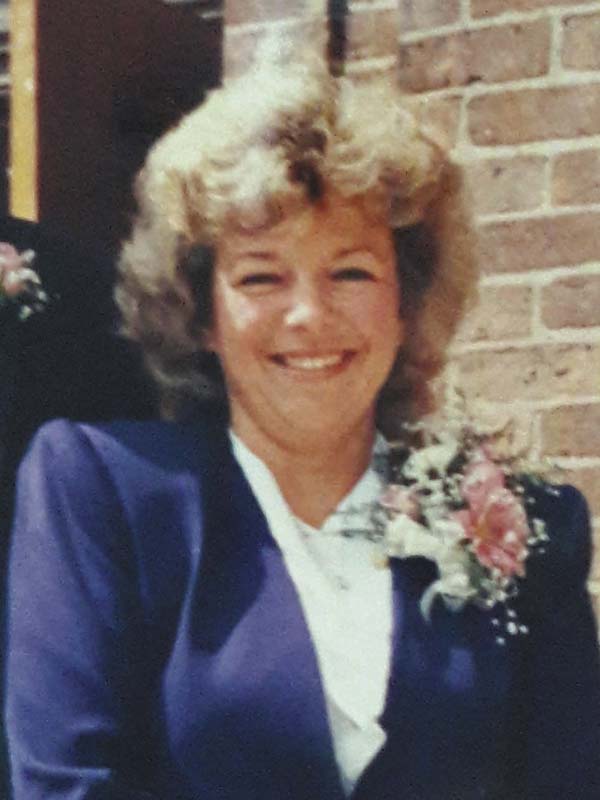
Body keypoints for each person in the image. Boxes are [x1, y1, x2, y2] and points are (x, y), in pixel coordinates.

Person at [4, 51, 600, 800]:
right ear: (202, 314)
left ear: (405, 303)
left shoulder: (527, 527)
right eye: (261, 276)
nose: (309, 315)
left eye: (350, 272)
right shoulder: (107, 494)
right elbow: (68, 784)